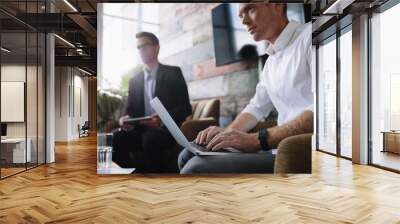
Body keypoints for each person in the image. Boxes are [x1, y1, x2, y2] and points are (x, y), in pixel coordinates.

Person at [178, 3, 313, 174]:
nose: (244, 21)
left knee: (196, 167)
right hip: (277, 149)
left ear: (278, 4)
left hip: (298, 152)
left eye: (251, 9)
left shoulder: (311, 36)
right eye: (241, 15)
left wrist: (257, 140)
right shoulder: (271, 63)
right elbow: (256, 108)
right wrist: (225, 134)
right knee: (186, 155)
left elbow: (324, 110)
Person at [113, 32, 192, 173]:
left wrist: (162, 119)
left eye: (145, 45)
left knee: (151, 139)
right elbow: (130, 112)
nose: (141, 50)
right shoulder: (134, 80)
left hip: (165, 131)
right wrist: (124, 120)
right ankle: (134, 175)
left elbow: (186, 108)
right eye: (138, 47)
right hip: (140, 131)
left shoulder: (173, 73)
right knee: (115, 137)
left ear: (156, 47)